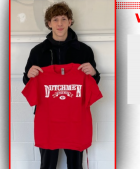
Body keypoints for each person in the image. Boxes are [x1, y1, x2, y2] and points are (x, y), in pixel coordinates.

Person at [22, 2, 100, 169]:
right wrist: (29, 76)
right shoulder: (38, 51)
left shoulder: (84, 51)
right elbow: (27, 82)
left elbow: (94, 83)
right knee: (47, 165)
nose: (59, 24)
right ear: (49, 23)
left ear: (70, 22)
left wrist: (94, 73)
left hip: (75, 119)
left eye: (64, 19)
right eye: (55, 19)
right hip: (48, 119)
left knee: (75, 165)